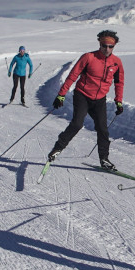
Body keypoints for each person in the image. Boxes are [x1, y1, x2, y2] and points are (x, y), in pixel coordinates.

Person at [48, 30, 124, 171]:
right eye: (104, 45)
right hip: (82, 95)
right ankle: (57, 149)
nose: (107, 49)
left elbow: (119, 83)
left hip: (99, 99)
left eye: (110, 46)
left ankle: (104, 159)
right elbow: (72, 76)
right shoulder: (88, 57)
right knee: (77, 124)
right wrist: (61, 94)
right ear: (99, 44)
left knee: (102, 129)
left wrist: (118, 101)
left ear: (114, 46)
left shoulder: (116, 63)